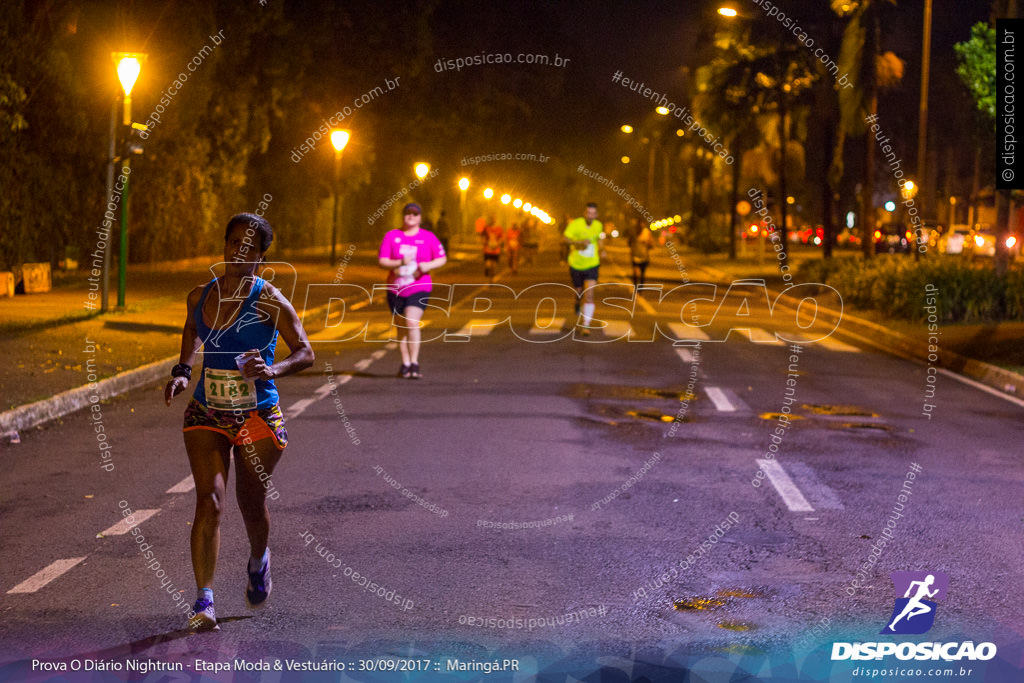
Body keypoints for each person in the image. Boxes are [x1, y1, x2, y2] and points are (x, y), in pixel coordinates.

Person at [164, 213, 314, 632]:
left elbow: (305, 352)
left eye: (249, 248)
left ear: (260, 258)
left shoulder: (270, 301)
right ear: (225, 245)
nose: (238, 252)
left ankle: (258, 559)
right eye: (233, 243)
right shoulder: (200, 294)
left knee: (250, 502)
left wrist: (272, 371)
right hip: (207, 410)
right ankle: (203, 600)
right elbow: (192, 329)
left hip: (257, 414)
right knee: (210, 500)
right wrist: (181, 370)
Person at [378, 202, 447, 378]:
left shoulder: (428, 237)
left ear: (420, 218)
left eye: (415, 214)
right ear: (403, 216)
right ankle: (406, 363)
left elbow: (442, 258)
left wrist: (427, 265)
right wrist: (400, 262)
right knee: (401, 327)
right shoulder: (392, 236)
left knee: (411, 322)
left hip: (419, 286)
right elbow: (382, 260)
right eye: (408, 213)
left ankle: (415, 362)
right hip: (395, 288)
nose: (411, 216)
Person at [562, 202, 605, 336]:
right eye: (588, 213)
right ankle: (577, 300)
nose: (591, 216)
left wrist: (602, 249)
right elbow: (564, 238)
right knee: (579, 291)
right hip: (576, 264)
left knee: (590, 294)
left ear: (596, 214)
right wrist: (579, 242)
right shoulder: (575, 224)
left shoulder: (598, 225)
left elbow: (599, 240)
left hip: (592, 264)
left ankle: (586, 325)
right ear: (584, 213)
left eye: (593, 214)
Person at [628, 219, 653, 291]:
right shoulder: (633, 232)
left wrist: (648, 245)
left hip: (644, 256)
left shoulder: (647, 232)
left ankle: (640, 287)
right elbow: (629, 242)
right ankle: (636, 286)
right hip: (635, 255)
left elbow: (651, 244)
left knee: (642, 273)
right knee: (635, 272)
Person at [480, 215, 504, 281]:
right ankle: (488, 270)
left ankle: (491, 273)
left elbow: (501, 238)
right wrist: (484, 242)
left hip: (494, 249)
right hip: (489, 249)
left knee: (492, 263)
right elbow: (482, 237)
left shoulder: (498, 228)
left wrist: (498, 244)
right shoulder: (486, 228)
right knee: (490, 263)